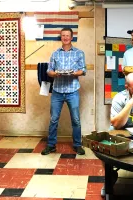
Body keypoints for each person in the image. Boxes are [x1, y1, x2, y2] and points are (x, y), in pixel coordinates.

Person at [41, 28, 86, 156]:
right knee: (54, 119)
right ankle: (51, 145)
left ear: (72, 37)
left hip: (73, 91)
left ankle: (77, 145)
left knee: (76, 119)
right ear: (61, 37)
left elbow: (83, 70)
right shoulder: (55, 54)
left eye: (68, 35)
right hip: (57, 91)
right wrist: (54, 74)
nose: (65, 37)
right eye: (63, 36)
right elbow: (49, 71)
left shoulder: (79, 53)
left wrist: (74, 73)